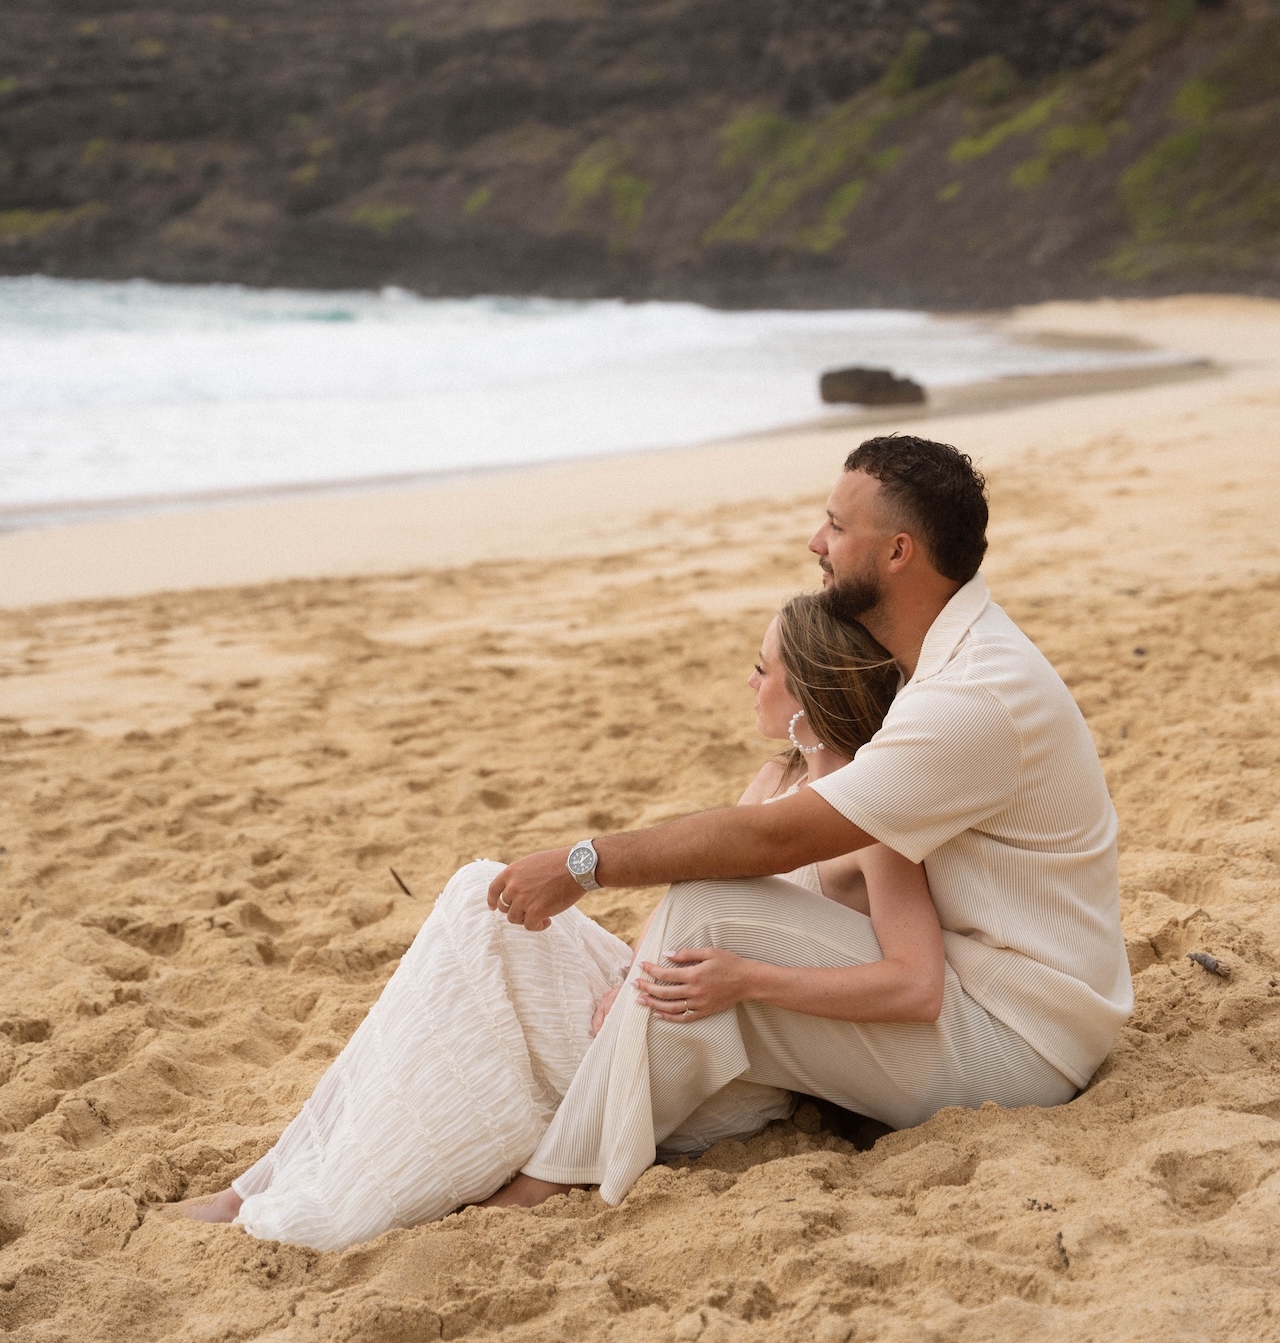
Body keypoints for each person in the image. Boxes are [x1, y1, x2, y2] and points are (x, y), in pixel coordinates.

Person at [483, 434, 1132, 1213]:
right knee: (666, 935)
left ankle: (554, 1181)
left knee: (708, 917)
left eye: (834, 525)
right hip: (980, 995)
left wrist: (584, 864)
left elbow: (777, 839)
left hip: (1020, 1044)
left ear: (897, 551)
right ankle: (571, 1127)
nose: (814, 542)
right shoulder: (943, 664)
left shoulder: (972, 697)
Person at [174, 590, 934, 1247]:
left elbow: (912, 985)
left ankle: (340, 1191)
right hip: (667, 995)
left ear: (803, 695)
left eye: (762, 669)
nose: (748, 679)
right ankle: (265, 1178)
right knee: (481, 896)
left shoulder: (872, 813)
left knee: (471, 1015)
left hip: (728, 1061)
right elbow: (693, 898)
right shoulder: (774, 778)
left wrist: (748, 982)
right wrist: (628, 972)